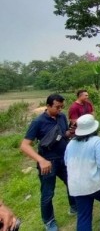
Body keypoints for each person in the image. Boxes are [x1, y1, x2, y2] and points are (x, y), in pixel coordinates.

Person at [20, 94, 77, 231]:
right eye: (57, 107)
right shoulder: (38, 122)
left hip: (64, 158)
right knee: (47, 193)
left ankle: (74, 207)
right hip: (48, 162)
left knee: (72, 183)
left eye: (62, 107)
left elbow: (62, 135)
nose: (60, 110)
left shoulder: (62, 117)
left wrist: (71, 132)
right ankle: (49, 221)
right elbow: (24, 145)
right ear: (48, 106)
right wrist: (41, 160)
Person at [64, 114, 100, 231]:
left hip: (76, 186)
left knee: (84, 215)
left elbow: (66, 162)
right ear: (94, 128)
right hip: (94, 182)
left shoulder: (71, 143)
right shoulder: (97, 141)